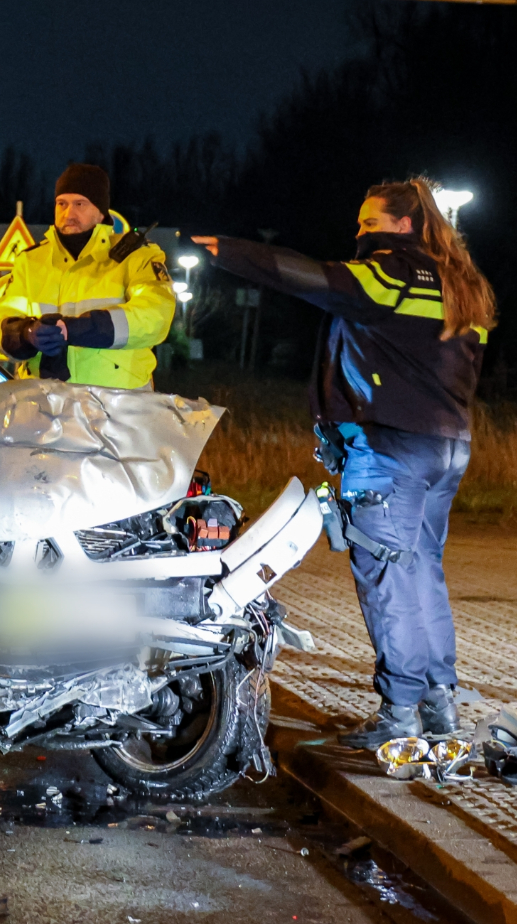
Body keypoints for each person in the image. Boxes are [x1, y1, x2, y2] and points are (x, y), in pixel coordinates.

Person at [192, 177, 495, 749]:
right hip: (446, 447)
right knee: (421, 571)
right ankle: (438, 706)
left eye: (370, 222)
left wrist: (225, 250)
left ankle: (400, 717)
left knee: (387, 577)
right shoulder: (461, 286)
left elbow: (309, 277)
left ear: (404, 226)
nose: (359, 232)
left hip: (390, 450)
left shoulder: (392, 275)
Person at [0, 163, 176, 389]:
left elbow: (155, 317)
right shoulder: (31, 261)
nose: (69, 214)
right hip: (43, 406)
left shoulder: (135, 257)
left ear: (101, 211)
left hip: (117, 408)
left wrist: (78, 329)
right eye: (62, 204)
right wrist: (27, 334)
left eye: (80, 204)